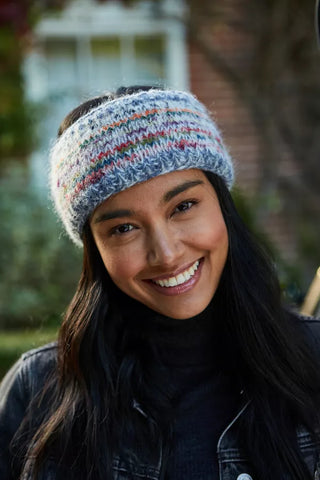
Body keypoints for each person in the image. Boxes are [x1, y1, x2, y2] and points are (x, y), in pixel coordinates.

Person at [0, 86, 320, 480]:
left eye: (183, 206)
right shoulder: (35, 394)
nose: (166, 254)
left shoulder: (313, 360)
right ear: (95, 251)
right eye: (124, 228)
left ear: (222, 205)